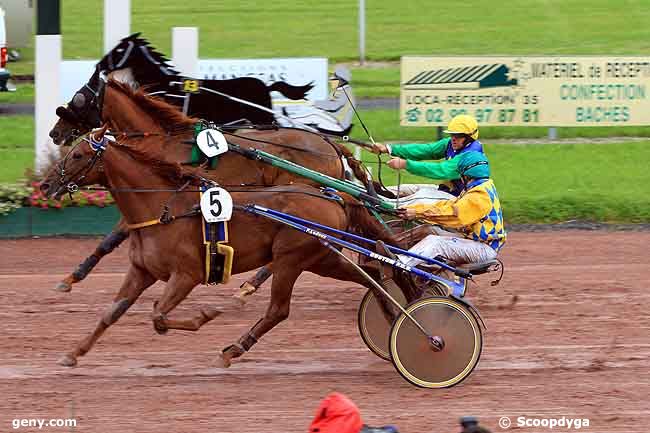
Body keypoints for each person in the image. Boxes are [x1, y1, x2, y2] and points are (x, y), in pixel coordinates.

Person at [397, 151, 506, 266]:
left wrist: (418, 213)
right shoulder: (478, 187)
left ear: (467, 174)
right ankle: (393, 244)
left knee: (436, 243)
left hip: (483, 248)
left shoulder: (479, 196)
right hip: (472, 241)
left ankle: (399, 264)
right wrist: (414, 209)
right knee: (428, 229)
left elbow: (453, 215)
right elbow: (448, 205)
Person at [371, 114, 485, 196]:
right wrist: (388, 149)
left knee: (416, 199)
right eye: (452, 134)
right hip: (446, 190)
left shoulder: (470, 155)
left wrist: (405, 164)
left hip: (460, 199)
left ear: (470, 137)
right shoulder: (450, 143)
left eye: (458, 135)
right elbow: (425, 150)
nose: (453, 139)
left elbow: (441, 170)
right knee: (396, 190)